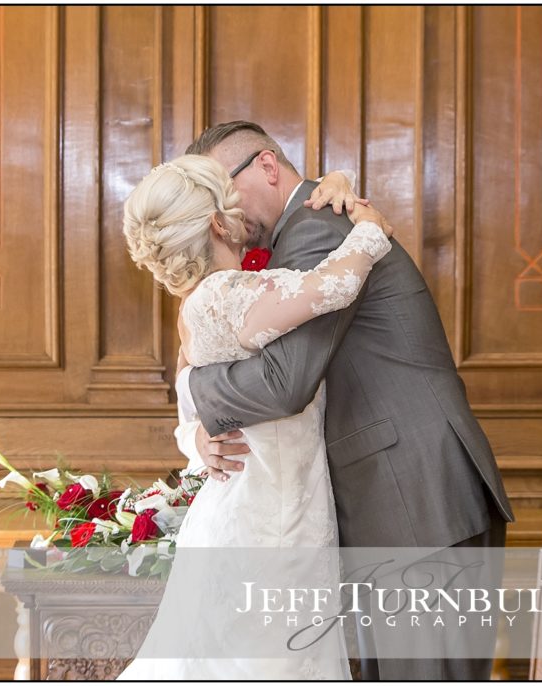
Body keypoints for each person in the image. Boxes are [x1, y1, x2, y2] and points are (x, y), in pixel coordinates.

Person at [179, 121, 515, 680]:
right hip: (401, 500)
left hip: (413, 497)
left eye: (225, 191)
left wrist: (190, 388)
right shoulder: (306, 224)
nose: (225, 213)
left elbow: (287, 382)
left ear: (266, 167)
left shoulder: (313, 228)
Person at [116, 154, 393, 680]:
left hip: (244, 511)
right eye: (232, 199)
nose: (245, 208)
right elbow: (332, 286)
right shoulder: (227, 296)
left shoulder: (198, 304)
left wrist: (196, 440)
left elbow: (187, 401)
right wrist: (370, 229)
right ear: (219, 223)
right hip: (270, 525)